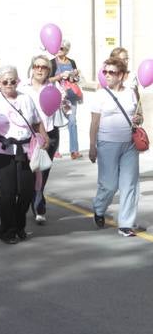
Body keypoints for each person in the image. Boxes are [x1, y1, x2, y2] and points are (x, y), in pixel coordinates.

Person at [0, 65, 48, 244]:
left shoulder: (26, 99)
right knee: (6, 194)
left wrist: (44, 136)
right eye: (5, 81)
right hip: (1, 151)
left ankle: (20, 225)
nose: (9, 84)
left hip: (25, 151)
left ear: (18, 82)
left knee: (26, 192)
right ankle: (7, 231)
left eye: (12, 81)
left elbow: (36, 121)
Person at [89, 56, 141, 237]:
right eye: (105, 72)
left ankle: (126, 224)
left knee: (129, 185)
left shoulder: (131, 93)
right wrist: (92, 146)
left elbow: (139, 115)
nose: (107, 75)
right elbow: (94, 123)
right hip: (107, 144)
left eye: (112, 72)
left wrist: (138, 119)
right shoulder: (100, 95)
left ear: (121, 75)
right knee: (109, 185)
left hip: (129, 145)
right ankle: (99, 208)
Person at [20, 55, 67, 225]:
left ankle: (38, 206)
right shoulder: (22, 87)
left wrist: (65, 106)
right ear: (32, 68)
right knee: (28, 173)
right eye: (37, 66)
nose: (40, 70)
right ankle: (27, 204)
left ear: (49, 70)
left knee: (43, 171)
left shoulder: (54, 88)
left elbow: (63, 110)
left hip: (49, 133)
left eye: (44, 67)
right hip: (28, 136)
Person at [50, 39, 82, 159]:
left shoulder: (72, 62)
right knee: (56, 123)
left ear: (67, 50)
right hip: (57, 96)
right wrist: (59, 76)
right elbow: (48, 80)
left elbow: (76, 79)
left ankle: (74, 151)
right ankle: (55, 150)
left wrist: (74, 76)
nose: (59, 50)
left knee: (72, 122)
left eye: (61, 48)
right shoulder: (52, 62)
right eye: (57, 48)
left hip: (70, 95)